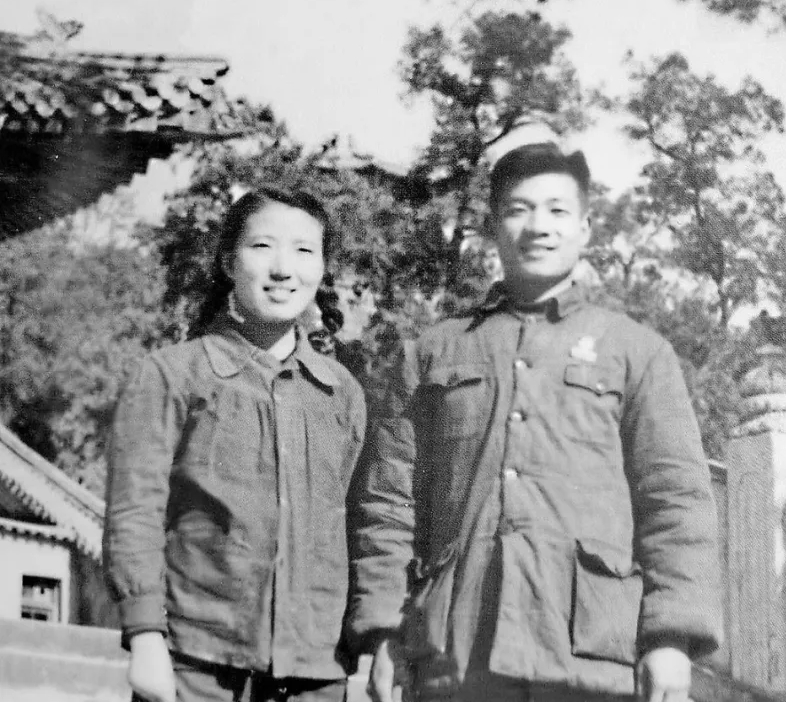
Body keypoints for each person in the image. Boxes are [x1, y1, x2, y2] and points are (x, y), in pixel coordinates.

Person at [352, 140, 721, 702]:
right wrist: (383, 630)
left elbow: (675, 503)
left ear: (585, 228)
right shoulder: (432, 353)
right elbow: (389, 502)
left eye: (556, 210)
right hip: (456, 656)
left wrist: (670, 639)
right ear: (493, 227)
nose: (538, 226)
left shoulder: (637, 353)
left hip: (593, 659)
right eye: (518, 210)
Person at [104, 188, 367, 702]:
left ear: (322, 269)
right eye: (262, 246)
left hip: (315, 671)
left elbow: (359, 528)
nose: (283, 268)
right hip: (195, 666)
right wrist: (146, 637)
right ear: (228, 262)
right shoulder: (170, 375)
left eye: (304, 250)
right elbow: (134, 513)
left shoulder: (343, 395)